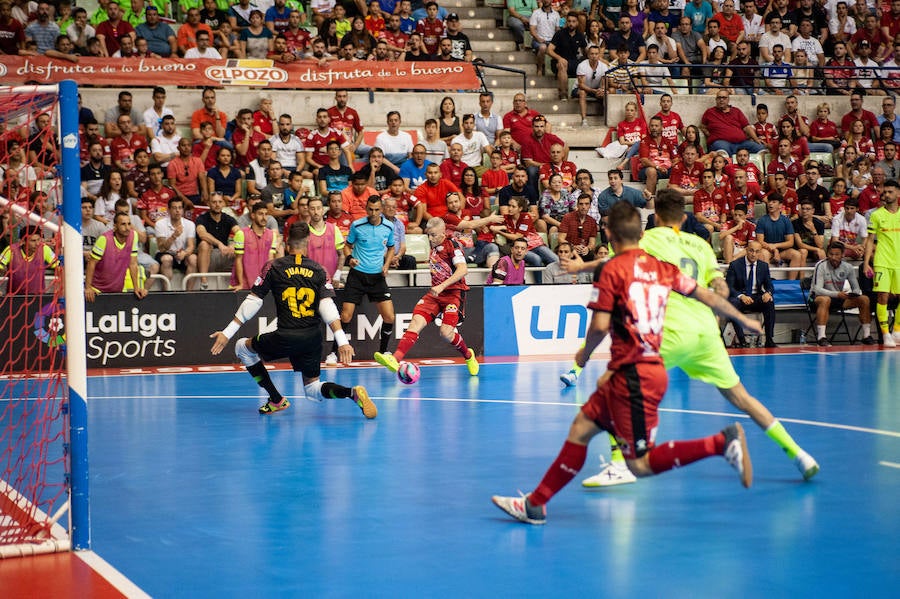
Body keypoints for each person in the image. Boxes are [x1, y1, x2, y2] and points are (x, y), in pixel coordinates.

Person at [491, 201, 766, 525]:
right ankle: (536, 505)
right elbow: (704, 295)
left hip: (634, 377)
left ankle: (721, 443)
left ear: (609, 234)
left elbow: (600, 326)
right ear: (640, 232)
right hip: (634, 371)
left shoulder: (613, 269)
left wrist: (582, 356)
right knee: (581, 429)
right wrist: (740, 318)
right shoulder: (660, 267)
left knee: (639, 463)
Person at [210, 222, 376, 418]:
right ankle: (351, 393)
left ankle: (276, 399)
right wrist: (343, 342)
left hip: (286, 336)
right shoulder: (319, 270)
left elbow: (253, 302)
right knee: (313, 389)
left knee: (241, 347)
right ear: (307, 244)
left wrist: (227, 332)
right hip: (312, 338)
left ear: (287, 243)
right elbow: (327, 308)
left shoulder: (273, 267)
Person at [373, 216, 480, 375]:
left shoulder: (453, 245)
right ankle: (395, 360)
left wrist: (443, 285)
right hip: (435, 295)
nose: (430, 239)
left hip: (454, 294)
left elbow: (463, 270)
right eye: (428, 235)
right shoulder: (434, 246)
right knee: (415, 322)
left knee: (445, 332)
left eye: (434, 235)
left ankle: (468, 355)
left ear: (443, 233)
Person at [340, 195, 397, 357]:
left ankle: (383, 352)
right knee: (345, 315)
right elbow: (347, 246)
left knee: (389, 316)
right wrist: (350, 258)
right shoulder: (357, 225)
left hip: (377, 277)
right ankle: (333, 352)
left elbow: (392, 248)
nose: (373, 213)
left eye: (377, 210)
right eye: (370, 209)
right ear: (366, 209)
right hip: (357, 275)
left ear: (382, 210)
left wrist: (386, 265)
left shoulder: (389, 227)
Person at [809, 240, 875, 346]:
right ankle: (821, 337)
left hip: (839, 298)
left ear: (843, 255)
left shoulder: (848, 267)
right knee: (825, 299)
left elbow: (856, 288)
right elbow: (817, 289)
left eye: (837, 254)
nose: (833, 257)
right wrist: (837, 294)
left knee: (864, 299)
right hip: (817, 299)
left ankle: (866, 336)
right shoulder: (821, 265)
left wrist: (853, 294)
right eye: (831, 254)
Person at [862, 178, 900, 346]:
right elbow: (870, 240)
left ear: (898, 194)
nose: (887, 194)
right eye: (884, 192)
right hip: (882, 261)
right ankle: (885, 334)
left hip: (898, 262)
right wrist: (866, 263)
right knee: (882, 296)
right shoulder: (876, 215)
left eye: (890, 192)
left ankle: (897, 330)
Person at [84, 211, 147, 302]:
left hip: (117, 289)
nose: (127, 228)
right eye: (123, 224)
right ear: (115, 226)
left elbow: (133, 264)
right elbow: (91, 263)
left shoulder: (133, 236)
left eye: (129, 224)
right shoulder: (104, 239)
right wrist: (88, 288)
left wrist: (136, 287)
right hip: (97, 290)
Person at [725, 240, 777, 348]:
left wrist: (768, 293)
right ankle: (742, 340)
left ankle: (769, 339)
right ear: (746, 250)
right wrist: (741, 296)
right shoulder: (735, 265)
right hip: (740, 297)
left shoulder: (763, 266)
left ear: (760, 253)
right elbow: (729, 287)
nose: (754, 254)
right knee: (732, 305)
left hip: (756, 296)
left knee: (769, 303)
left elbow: (769, 285)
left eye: (757, 251)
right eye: (751, 251)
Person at [196, 192, 240, 290]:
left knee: (241, 249)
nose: (217, 205)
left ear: (223, 203)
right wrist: (219, 243)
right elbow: (202, 233)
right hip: (208, 257)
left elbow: (239, 233)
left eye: (220, 202)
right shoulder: (202, 218)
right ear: (208, 204)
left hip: (224, 255)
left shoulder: (229, 219)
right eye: (214, 202)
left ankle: (242, 284)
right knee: (204, 244)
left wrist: (233, 244)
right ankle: (204, 283)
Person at [700, 90, 766, 154]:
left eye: (724, 98)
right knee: (722, 151)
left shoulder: (736, 111)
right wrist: (710, 135)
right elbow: (702, 127)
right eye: (719, 98)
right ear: (716, 99)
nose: (721, 100)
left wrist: (756, 139)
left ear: (728, 99)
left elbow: (747, 127)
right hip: (721, 143)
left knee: (761, 148)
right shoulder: (710, 112)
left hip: (742, 143)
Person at [232, 200, 279, 290]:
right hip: (244, 286)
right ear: (253, 215)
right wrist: (241, 284)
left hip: (263, 285)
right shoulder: (241, 234)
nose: (264, 217)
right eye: (260, 214)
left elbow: (270, 260)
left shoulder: (272, 235)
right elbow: (238, 260)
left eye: (266, 214)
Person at [0, 226, 59, 295]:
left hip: (38, 298)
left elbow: (60, 267)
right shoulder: (11, 250)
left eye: (38, 240)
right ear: (23, 241)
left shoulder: (44, 249)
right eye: (33, 241)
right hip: (14, 298)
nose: (37, 244)